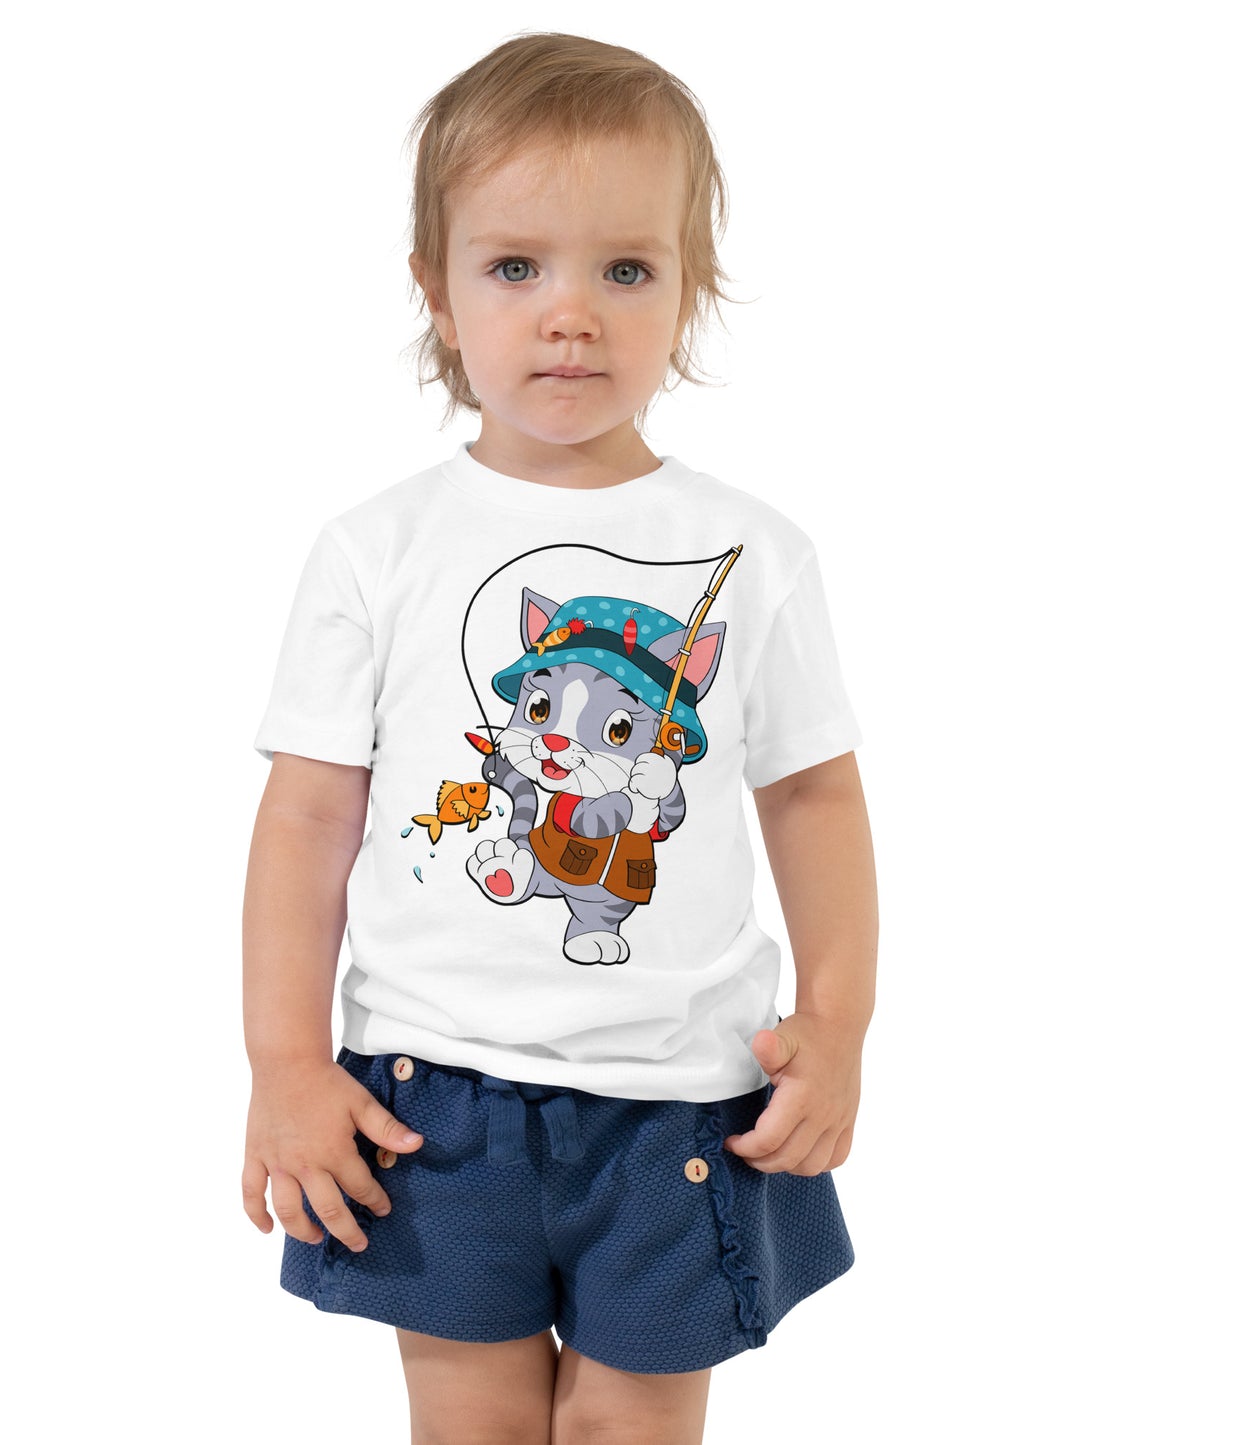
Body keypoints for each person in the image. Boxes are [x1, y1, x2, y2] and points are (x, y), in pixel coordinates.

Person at [242, 31, 878, 1445]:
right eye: (516, 266)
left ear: (688, 287)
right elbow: (305, 819)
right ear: (438, 288)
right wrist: (284, 1063)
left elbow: (816, 800)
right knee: (467, 1422)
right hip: (432, 1096)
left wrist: (837, 1023)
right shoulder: (375, 550)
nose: (570, 315)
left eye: (626, 270)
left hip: (680, 1096)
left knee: (628, 1429)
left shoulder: (757, 555)